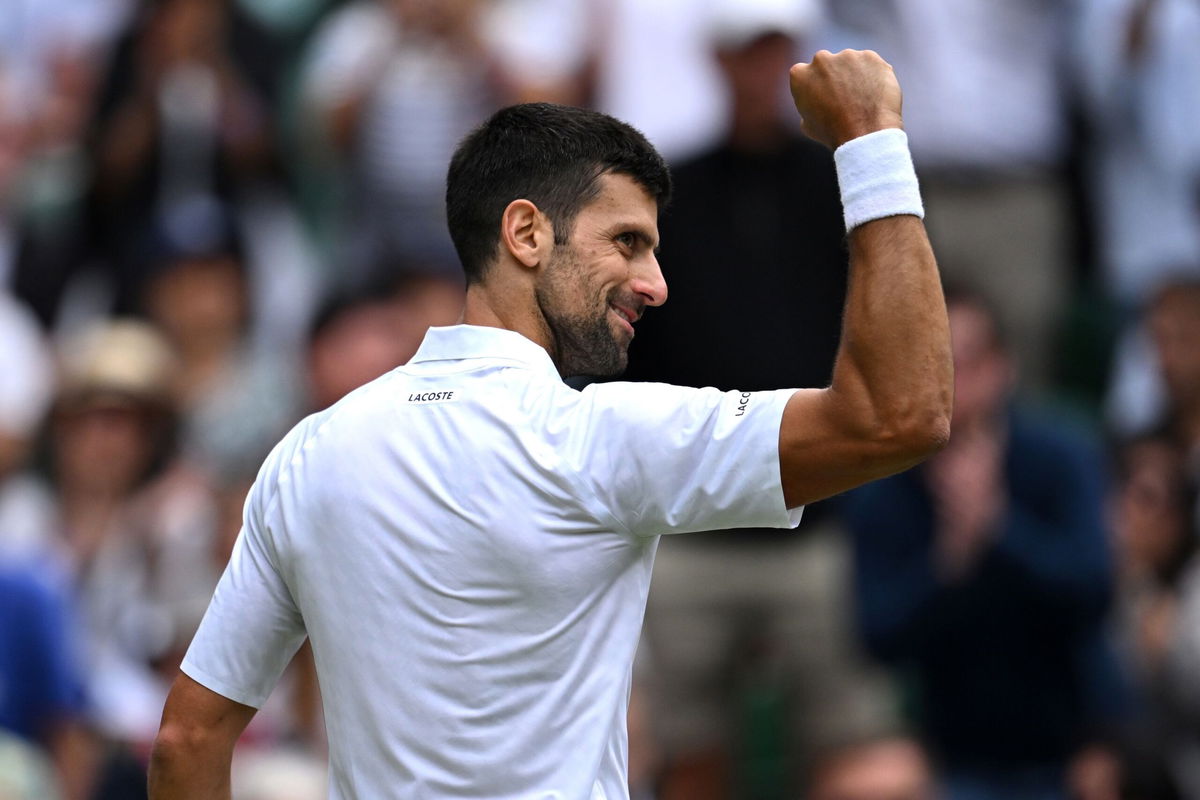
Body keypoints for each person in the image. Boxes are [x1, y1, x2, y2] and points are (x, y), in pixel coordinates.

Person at [148, 49, 953, 798]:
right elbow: (901, 414)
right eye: (628, 243)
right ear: (526, 233)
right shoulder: (598, 440)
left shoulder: (307, 454)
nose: (657, 284)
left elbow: (187, 737)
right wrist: (871, 138)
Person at [843, 288, 1124, 800]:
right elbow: (876, 634)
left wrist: (1000, 531)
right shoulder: (885, 485)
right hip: (953, 758)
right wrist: (949, 564)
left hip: (1076, 747)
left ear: (1004, 367)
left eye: (968, 361)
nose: (954, 382)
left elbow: (1096, 589)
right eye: (934, 362)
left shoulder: (1062, 456)